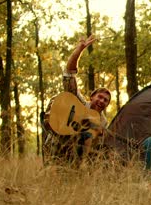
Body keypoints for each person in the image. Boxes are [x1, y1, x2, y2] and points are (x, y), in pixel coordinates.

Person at [43, 35, 111, 166]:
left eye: (106, 100)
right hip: (55, 152)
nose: (102, 101)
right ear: (92, 97)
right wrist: (79, 51)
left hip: (77, 164)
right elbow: (69, 74)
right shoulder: (77, 101)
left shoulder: (103, 123)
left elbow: (96, 151)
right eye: (100, 97)